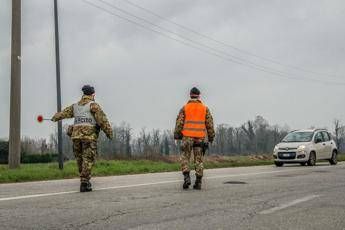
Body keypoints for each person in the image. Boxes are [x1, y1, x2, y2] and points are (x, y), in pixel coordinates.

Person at [51, 85, 113, 192]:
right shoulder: (93, 106)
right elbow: (102, 121)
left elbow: (63, 113)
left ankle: (84, 180)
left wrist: (54, 118)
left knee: (80, 160)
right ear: (93, 94)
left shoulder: (75, 106)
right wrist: (109, 133)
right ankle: (84, 182)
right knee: (88, 159)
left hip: (76, 138)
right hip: (88, 137)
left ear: (83, 94)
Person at [174, 87, 215, 190]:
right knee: (199, 159)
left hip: (187, 137)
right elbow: (210, 125)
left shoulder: (184, 108)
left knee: (185, 157)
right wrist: (211, 138)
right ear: (199, 95)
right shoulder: (205, 109)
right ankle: (198, 182)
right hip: (200, 138)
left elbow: (179, 123)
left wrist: (177, 135)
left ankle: (186, 178)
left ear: (190, 95)